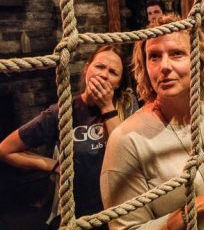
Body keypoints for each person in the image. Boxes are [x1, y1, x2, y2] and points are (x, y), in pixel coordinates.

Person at [100, 15, 204, 230]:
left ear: (198, 60)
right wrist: (198, 207)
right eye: (154, 56)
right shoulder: (127, 140)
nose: (164, 66)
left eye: (177, 54)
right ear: (145, 67)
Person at [0, 45, 136, 228]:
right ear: (87, 68)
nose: (104, 75)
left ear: (119, 82)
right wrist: (52, 165)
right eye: (100, 67)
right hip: (80, 212)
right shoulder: (62, 111)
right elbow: (6, 149)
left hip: (119, 208)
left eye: (113, 72)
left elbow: (126, 154)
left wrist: (106, 107)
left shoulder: (126, 105)